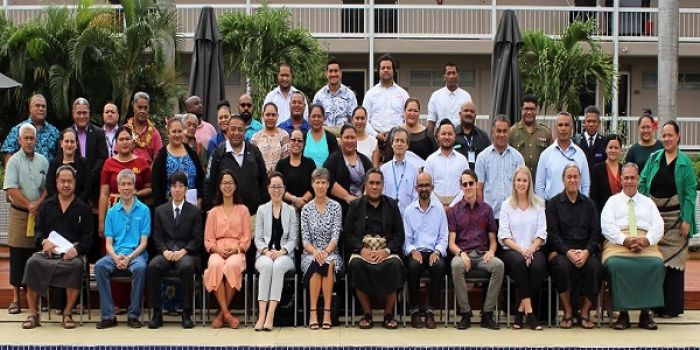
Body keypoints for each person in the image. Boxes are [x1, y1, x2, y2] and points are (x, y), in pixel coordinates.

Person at [20, 165, 93, 329]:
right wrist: (43, 242)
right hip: (49, 253)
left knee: (77, 266)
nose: (66, 185)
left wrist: (77, 250)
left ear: (74, 183)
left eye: (69, 181)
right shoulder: (47, 205)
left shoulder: (83, 208)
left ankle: (67, 314)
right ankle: (33, 314)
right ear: (57, 183)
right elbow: (38, 231)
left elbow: (88, 239)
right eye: (62, 181)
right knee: (32, 263)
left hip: (71, 255)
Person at [639, 120, 697, 318]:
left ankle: (671, 308)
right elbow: (643, 182)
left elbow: (690, 194)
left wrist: (687, 219)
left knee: (674, 265)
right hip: (654, 219)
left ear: (678, 137)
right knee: (655, 263)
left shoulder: (685, 163)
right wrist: (643, 206)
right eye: (664, 135)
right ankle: (654, 305)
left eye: (670, 135)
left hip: (676, 220)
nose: (666, 139)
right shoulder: (654, 157)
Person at [600, 163, 664, 330]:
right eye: (626, 178)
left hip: (644, 241)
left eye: (632, 178)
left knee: (656, 264)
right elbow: (607, 226)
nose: (629, 181)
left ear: (638, 179)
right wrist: (624, 240)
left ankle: (646, 313)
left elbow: (658, 226)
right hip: (618, 243)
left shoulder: (648, 202)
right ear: (621, 180)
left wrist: (646, 240)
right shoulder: (612, 202)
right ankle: (623, 314)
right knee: (615, 265)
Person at [344, 168, 404, 330]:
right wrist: (362, 250)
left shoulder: (392, 205)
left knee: (396, 266)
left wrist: (386, 251)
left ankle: (388, 314)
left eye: (378, 183)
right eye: (371, 183)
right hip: (363, 252)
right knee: (355, 265)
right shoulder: (355, 205)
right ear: (365, 184)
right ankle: (367, 314)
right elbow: (348, 234)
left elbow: (399, 235)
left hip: (385, 251)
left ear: (383, 186)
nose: (375, 186)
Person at [545, 164, 603, 329]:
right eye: (569, 177)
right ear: (563, 180)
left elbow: (595, 234)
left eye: (575, 177)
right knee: (561, 267)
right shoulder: (554, 204)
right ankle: (568, 312)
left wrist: (586, 253)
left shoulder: (590, 205)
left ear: (580, 180)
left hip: (585, 251)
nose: (572, 180)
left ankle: (585, 312)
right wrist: (568, 252)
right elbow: (553, 235)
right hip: (563, 252)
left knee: (596, 268)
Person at [448, 169, 503, 330]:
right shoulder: (454, 210)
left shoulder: (487, 209)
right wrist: (461, 253)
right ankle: (465, 313)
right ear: (461, 187)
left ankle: (487, 313)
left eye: (471, 183)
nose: (468, 187)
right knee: (456, 265)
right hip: (463, 252)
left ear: (476, 185)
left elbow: (493, 240)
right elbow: (451, 243)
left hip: (481, 255)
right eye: (464, 184)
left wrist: (491, 252)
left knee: (498, 265)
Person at [2, 123, 49, 315]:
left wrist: (38, 203)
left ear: (36, 140)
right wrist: (29, 205)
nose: (29, 141)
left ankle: (40, 297)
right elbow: (11, 189)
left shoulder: (43, 161)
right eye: (26, 138)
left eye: (32, 138)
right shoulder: (13, 161)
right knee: (17, 256)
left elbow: (48, 187)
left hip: (38, 214)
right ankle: (16, 299)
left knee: (37, 256)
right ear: (19, 140)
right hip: (20, 215)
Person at [95, 169, 150, 329]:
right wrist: (116, 257)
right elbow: (108, 244)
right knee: (99, 266)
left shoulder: (144, 210)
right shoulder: (111, 212)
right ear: (118, 187)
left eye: (129, 184)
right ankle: (108, 315)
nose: (126, 188)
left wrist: (129, 258)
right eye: (123, 184)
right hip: (115, 254)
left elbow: (144, 243)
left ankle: (133, 315)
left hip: (136, 255)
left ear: (134, 187)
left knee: (141, 268)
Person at [147, 171, 203, 329]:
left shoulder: (194, 211)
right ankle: (157, 313)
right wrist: (164, 251)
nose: (177, 190)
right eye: (174, 186)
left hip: (186, 253)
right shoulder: (160, 211)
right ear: (169, 189)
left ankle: (186, 313)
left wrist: (183, 251)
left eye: (181, 186)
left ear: (186, 189)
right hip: (166, 253)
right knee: (152, 267)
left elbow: (197, 239)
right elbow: (156, 237)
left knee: (186, 267)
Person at [498, 166, 547, 330]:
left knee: (538, 266)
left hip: (534, 249)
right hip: (512, 250)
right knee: (519, 263)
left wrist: (531, 250)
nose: (521, 183)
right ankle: (531, 314)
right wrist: (522, 250)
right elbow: (504, 236)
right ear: (514, 183)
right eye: (518, 180)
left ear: (529, 183)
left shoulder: (539, 204)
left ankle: (520, 311)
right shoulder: (506, 205)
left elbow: (542, 233)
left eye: (525, 180)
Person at [203, 169, 251, 329]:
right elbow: (208, 239)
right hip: (218, 250)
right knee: (215, 265)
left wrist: (237, 249)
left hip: (236, 251)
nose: (227, 186)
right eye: (224, 183)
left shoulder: (243, 210)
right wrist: (217, 250)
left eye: (230, 183)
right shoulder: (213, 212)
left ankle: (221, 314)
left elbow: (246, 238)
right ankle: (227, 314)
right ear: (219, 186)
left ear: (236, 186)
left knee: (233, 266)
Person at [403, 172, 448, 329]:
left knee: (439, 266)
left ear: (432, 187)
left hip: (433, 251)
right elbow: (406, 239)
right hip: (416, 251)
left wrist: (437, 252)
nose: (424, 188)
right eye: (421, 185)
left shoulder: (439, 210)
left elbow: (444, 236)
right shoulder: (409, 211)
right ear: (416, 188)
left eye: (427, 185)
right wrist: (412, 251)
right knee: (413, 267)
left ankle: (430, 311)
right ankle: (415, 311)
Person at [253, 172, 297, 331]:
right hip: (265, 254)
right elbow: (257, 239)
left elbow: (293, 239)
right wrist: (265, 251)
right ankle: (261, 316)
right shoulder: (261, 210)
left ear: (284, 189)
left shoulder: (291, 211)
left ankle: (270, 315)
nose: (276, 190)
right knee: (267, 266)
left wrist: (282, 251)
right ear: (268, 189)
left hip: (284, 255)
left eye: (280, 187)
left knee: (277, 266)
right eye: (273, 187)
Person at [300, 168, 343, 330]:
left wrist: (325, 252)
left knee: (328, 263)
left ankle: (326, 312)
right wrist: (316, 252)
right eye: (317, 182)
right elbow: (305, 240)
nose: (320, 186)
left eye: (323, 182)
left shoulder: (336, 207)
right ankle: (312, 313)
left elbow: (335, 236)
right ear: (312, 184)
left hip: (332, 253)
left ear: (328, 185)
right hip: (310, 253)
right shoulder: (306, 209)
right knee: (315, 264)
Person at [205, 114, 268, 218]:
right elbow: (209, 183)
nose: (236, 133)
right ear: (228, 130)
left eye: (240, 129)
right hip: (225, 216)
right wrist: (210, 210)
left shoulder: (254, 151)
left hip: (252, 215)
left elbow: (264, 180)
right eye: (233, 129)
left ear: (245, 131)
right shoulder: (218, 153)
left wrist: (263, 207)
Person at [98, 126, 152, 237]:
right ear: (116, 143)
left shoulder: (141, 162)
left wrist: (136, 194)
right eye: (121, 139)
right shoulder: (109, 163)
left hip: (136, 211)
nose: (124, 142)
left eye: (127, 139)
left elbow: (150, 188)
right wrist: (101, 222)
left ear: (132, 142)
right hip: (113, 210)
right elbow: (104, 194)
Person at [475, 115, 524, 219]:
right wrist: (481, 213)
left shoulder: (517, 157)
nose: (501, 134)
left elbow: (522, 186)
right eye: (498, 131)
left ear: (509, 133)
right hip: (490, 215)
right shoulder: (482, 157)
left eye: (505, 131)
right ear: (493, 132)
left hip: (513, 214)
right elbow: (479, 188)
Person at [535, 112, 590, 201]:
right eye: (560, 125)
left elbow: (585, 185)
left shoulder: (580, 154)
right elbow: (539, 186)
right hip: (552, 209)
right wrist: (542, 208)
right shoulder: (546, 155)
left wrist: (583, 206)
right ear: (555, 128)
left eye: (566, 125)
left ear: (572, 128)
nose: (563, 128)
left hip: (576, 207)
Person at [323, 124, 373, 214]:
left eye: (352, 137)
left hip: (362, 210)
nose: (350, 141)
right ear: (341, 139)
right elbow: (327, 180)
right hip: (338, 212)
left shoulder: (365, 161)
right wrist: (347, 197)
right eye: (346, 137)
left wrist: (363, 200)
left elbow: (372, 180)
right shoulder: (332, 160)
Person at [70, 98, 108, 209]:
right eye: (79, 113)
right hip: (73, 189)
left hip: (94, 189)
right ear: (73, 114)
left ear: (89, 114)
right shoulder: (66, 134)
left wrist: (89, 177)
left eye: (85, 113)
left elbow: (103, 157)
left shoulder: (99, 133)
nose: (82, 116)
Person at [2, 94, 60, 163]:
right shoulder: (17, 130)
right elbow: (8, 153)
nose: (41, 109)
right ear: (30, 108)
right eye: (37, 106)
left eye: (43, 106)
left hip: (48, 172)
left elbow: (61, 156)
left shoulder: (54, 132)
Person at [362, 54, 409, 141]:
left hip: (397, 140)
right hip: (374, 139)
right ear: (378, 71)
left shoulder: (403, 94)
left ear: (393, 71)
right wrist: (376, 135)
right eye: (383, 68)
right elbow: (364, 120)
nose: (385, 70)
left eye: (388, 68)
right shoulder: (370, 94)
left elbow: (407, 119)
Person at [424, 120, 469, 208]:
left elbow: (465, 185)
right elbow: (427, 186)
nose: (447, 137)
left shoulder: (462, 160)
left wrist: (452, 205)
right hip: (435, 207)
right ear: (438, 136)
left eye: (450, 134)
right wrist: (440, 206)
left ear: (455, 136)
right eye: (443, 134)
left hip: (458, 207)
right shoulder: (430, 160)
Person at [509, 95, 553, 178]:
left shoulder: (545, 133)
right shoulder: (512, 132)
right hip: (519, 182)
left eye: (532, 109)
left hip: (539, 182)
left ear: (536, 110)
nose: (529, 112)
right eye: (526, 109)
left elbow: (551, 159)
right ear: (521, 109)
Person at [380, 127, 419, 215]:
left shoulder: (414, 169)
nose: (399, 144)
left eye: (402, 141)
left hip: (408, 216)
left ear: (407, 145)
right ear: (392, 144)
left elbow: (416, 196)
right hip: (388, 215)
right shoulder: (384, 169)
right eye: (396, 140)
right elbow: (381, 194)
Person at [312, 57, 358, 132]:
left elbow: (353, 120)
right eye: (330, 71)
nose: (333, 74)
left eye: (336, 71)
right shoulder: (319, 96)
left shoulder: (350, 95)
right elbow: (314, 120)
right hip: (325, 137)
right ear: (326, 74)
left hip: (344, 138)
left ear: (340, 73)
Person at [427, 63, 473, 135]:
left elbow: (470, 119)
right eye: (448, 73)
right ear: (444, 77)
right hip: (442, 136)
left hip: (461, 136)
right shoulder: (435, 96)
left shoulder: (466, 96)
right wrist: (430, 140)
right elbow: (431, 121)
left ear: (458, 76)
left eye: (453, 73)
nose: (451, 76)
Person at [275, 129, 316, 211]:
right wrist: (294, 199)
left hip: (307, 208)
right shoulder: (281, 164)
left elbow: (315, 185)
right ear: (289, 142)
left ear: (304, 144)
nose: (296, 142)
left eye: (300, 140)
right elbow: (278, 187)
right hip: (286, 209)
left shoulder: (310, 163)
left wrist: (303, 200)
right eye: (293, 140)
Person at [45, 129, 89, 203]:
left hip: (79, 206)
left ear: (76, 144)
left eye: (72, 141)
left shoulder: (83, 163)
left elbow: (87, 188)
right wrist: (61, 202)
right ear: (61, 143)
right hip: (57, 207)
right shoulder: (54, 164)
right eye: (66, 141)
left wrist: (74, 203)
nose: (69, 144)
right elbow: (50, 187)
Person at [251, 102, 291, 174]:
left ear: (277, 116)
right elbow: (253, 161)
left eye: (273, 115)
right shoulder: (255, 137)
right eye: (268, 115)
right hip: (261, 178)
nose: (270, 118)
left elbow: (286, 160)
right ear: (263, 116)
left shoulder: (284, 135)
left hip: (279, 179)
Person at [125, 91, 162, 166]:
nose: (142, 111)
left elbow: (158, 158)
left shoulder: (154, 133)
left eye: (145, 108)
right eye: (139, 107)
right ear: (133, 107)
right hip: (127, 173)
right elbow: (118, 155)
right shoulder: (124, 130)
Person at [590, 134, 624, 213]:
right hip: (603, 212)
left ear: (620, 150)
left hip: (621, 213)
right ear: (605, 149)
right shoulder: (597, 169)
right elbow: (594, 196)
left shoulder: (624, 169)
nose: (613, 150)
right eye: (610, 147)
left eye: (616, 148)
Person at [454, 101, 489, 170]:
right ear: (460, 114)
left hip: (478, 177)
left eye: (471, 111)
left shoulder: (483, 136)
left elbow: (489, 157)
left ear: (475, 116)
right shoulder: (453, 135)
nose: (469, 113)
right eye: (466, 111)